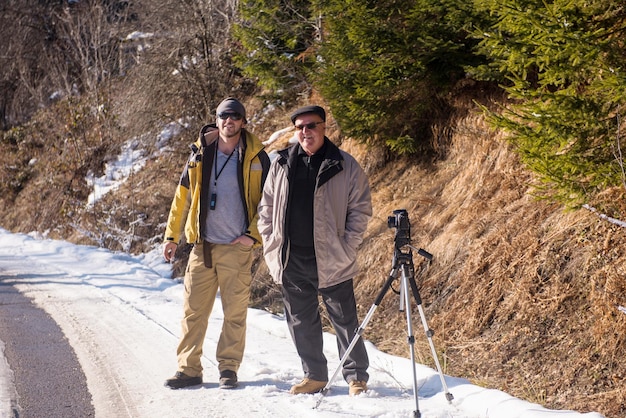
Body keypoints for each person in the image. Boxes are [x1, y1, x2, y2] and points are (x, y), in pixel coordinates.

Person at [257, 105, 373, 396]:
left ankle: (356, 376)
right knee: (300, 319)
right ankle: (315, 375)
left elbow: (360, 208)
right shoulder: (281, 163)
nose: (306, 132)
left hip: (332, 257)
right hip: (290, 256)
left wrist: (347, 246)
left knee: (345, 319)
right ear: (295, 132)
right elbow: (266, 208)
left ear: (324, 128)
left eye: (312, 126)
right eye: (300, 127)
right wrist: (272, 246)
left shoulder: (344, 164)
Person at [162, 97, 270, 390]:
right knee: (192, 312)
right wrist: (172, 236)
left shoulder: (257, 157)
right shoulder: (200, 153)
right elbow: (182, 194)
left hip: (237, 248)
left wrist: (252, 236)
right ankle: (189, 369)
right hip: (203, 247)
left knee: (235, 313)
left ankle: (228, 369)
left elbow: (269, 203)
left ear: (243, 122)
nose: (228, 121)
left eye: (235, 116)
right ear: (217, 118)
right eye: (224, 116)